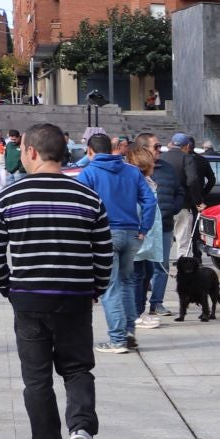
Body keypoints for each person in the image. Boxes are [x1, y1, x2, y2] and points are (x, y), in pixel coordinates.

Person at [0, 123, 114, 439]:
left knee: (36, 378)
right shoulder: (88, 198)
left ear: (30, 152)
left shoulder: (8, 198)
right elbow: (104, 253)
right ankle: (82, 428)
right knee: (78, 368)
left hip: (29, 299)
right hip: (75, 297)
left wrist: (9, 289)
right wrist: (95, 289)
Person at [75, 130, 158, 352]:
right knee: (128, 282)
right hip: (131, 233)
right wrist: (144, 228)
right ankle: (129, 330)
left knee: (110, 287)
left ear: (90, 151)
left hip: (104, 234)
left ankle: (118, 339)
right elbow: (149, 201)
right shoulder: (131, 171)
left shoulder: (88, 173)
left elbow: (79, 208)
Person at [123, 143, 166, 329]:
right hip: (139, 236)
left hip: (147, 237)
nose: (154, 164)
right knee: (138, 275)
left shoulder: (146, 182)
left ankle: (139, 311)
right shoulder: (135, 183)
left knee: (146, 273)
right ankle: (135, 313)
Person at [143, 132, 182, 317]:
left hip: (164, 225)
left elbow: (180, 190)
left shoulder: (168, 168)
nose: (160, 150)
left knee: (162, 266)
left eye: (160, 146)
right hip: (142, 228)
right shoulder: (134, 169)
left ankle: (157, 302)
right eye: (156, 146)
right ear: (144, 149)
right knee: (141, 268)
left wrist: (174, 208)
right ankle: (137, 305)